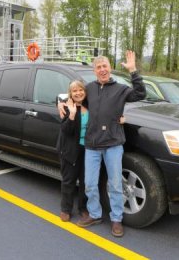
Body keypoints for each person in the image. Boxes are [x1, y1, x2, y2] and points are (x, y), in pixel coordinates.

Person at [59, 50, 146, 237]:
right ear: (94, 71)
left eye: (104, 66)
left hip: (113, 145)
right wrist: (60, 103)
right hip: (91, 146)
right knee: (90, 183)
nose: (102, 70)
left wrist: (133, 71)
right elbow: (73, 94)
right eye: (98, 67)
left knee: (115, 184)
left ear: (110, 68)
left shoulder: (121, 89)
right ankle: (95, 214)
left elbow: (140, 94)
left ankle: (116, 219)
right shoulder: (89, 88)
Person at [57, 80, 88, 222]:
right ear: (70, 94)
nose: (78, 93)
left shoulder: (90, 106)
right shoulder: (67, 107)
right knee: (69, 180)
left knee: (85, 181)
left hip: (87, 149)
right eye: (74, 91)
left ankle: (83, 208)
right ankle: (66, 209)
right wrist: (72, 115)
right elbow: (65, 130)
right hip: (70, 150)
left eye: (80, 90)